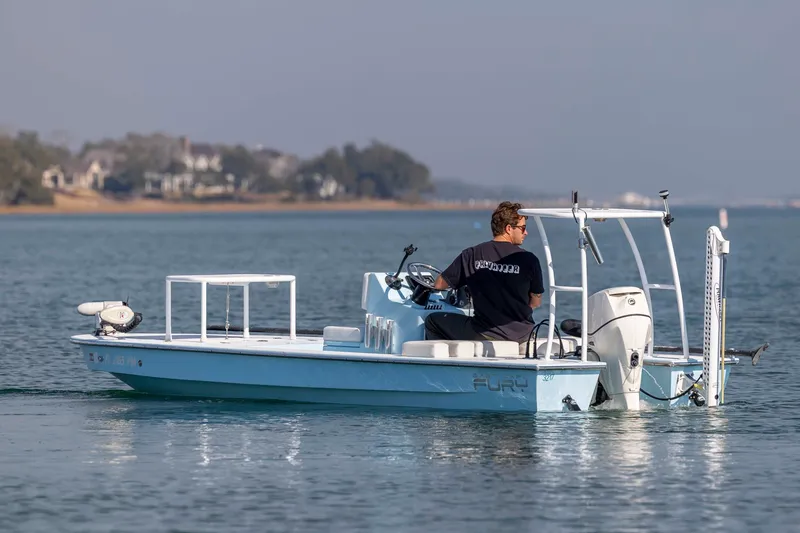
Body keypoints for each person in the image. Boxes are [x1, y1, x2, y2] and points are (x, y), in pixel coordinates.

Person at [425, 201, 544, 350]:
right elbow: (536, 302)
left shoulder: (471, 254)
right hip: (524, 334)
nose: (525, 232)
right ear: (508, 229)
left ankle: (447, 368)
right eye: (523, 228)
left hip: (486, 333)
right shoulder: (530, 259)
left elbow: (439, 284)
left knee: (432, 321)